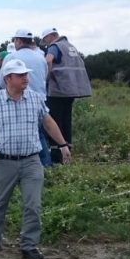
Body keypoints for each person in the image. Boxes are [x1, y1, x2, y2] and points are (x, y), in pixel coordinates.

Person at [0, 59, 71, 259]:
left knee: (32, 205)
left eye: (26, 75)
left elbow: (48, 123)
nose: (26, 79)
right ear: (8, 78)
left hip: (31, 161)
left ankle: (29, 246)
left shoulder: (35, 99)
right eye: (21, 75)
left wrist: (63, 145)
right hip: (4, 162)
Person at [2, 29, 52, 167]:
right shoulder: (41, 57)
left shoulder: (11, 58)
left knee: (29, 135)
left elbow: (3, 80)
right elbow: (46, 76)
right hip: (41, 99)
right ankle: (46, 164)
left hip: (21, 100)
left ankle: (40, 164)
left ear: (18, 40)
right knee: (40, 133)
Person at [41, 28, 92, 163]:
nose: (45, 44)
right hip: (70, 90)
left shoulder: (55, 46)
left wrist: (46, 78)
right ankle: (68, 151)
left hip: (57, 90)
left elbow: (48, 60)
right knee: (66, 121)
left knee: (55, 122)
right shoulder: (70, 46)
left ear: (51, 36)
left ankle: (56, 154)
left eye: (45, 40)